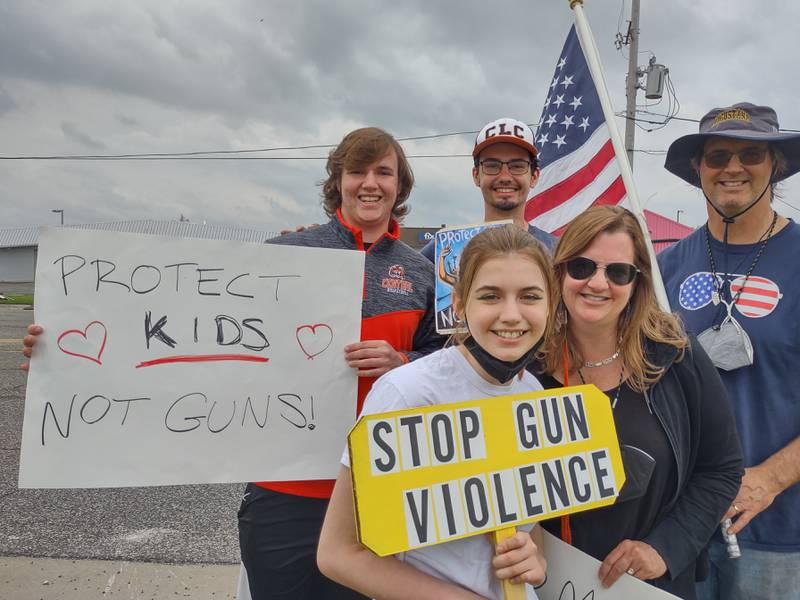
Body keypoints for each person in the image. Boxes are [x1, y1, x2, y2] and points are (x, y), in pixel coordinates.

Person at [22, 127, 442, 600]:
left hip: (376, 491)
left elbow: (442, 366)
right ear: (337, 182)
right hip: (284, 489)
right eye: (357, 171)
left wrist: (401, 360)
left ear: (399, 186)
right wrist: (58, 356)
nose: (370, 183)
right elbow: (181, 333)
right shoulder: (283, 254)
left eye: (383, 172)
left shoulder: (420, 271)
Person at [317, 225, 551, 599]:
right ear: (459, 304)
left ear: (550, 304)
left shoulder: (534, 394)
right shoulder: (406, 393)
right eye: (490, 296)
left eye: (530, 296)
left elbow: (526, 525)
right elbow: (338, 553)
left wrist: (534, 562)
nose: (511, 314)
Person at [535, 206, 742, 599]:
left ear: (636, 283)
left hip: (648, 587)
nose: (597, 283)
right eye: (582, 267)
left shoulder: (676, 356)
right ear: (559, 272)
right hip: (544, 583)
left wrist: (667, 547)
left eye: (617, 272)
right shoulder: (527, 365)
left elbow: (722, 468)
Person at [658, 103, 800, 599]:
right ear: (699, 170)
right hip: (679, 528)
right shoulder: (665, 268)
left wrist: (769, 479)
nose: (733, 167)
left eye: (751, 153)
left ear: (776, 165)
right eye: (717, 156)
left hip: (776, 534)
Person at [420, 117, 556, 262]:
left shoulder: (559, 252)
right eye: (492, 165)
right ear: (476, 175)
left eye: (517, 166)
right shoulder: (444, 249)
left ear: (534, 176)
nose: (505, 177)